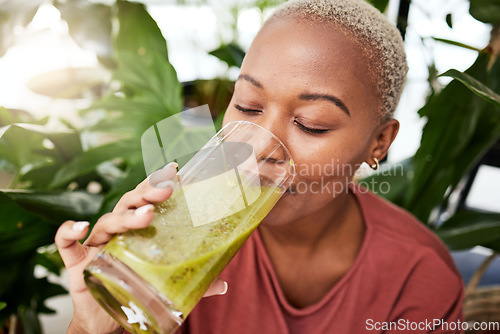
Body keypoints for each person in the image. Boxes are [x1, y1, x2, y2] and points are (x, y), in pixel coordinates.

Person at [55, 0, 465, 333]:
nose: (258, 149)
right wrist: (94, 328)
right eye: (248, 106)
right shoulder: (180, 232)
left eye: (311, 124)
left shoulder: (418, 277)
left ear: (379, 142)